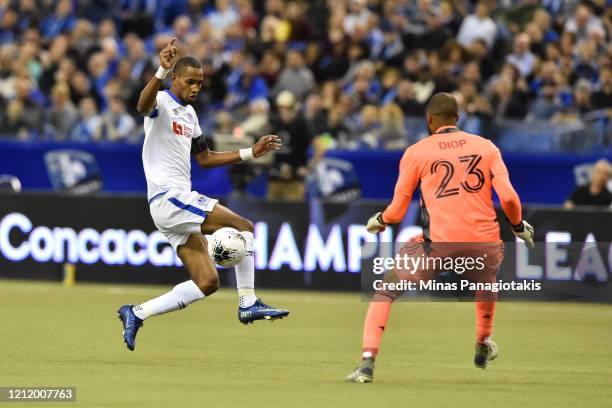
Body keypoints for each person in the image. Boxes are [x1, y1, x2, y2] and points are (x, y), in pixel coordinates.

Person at [345, 93, 535, 382]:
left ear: (429, 120)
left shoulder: (417, 152)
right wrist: (519, 226)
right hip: (485, 244)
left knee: (385, 292)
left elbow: (396, 212)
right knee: (486, 281)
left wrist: (380, 221)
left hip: (439, 245)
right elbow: (508, 197)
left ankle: (367, 363)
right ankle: (483, 343)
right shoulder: (486, 147)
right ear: (458, 118)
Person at [117, 38, 289, 351]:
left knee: (207, 283)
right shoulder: (160, 103)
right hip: (170, 197)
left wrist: (252, 151)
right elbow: (141, 106)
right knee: (244, 227)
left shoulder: (191, 115)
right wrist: (160, 70)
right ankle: (248, 302)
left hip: (171, 208)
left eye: (200, 83)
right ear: (175, 79)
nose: (196, 87)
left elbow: (205, 157)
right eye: (190, 81)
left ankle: (137, 312)